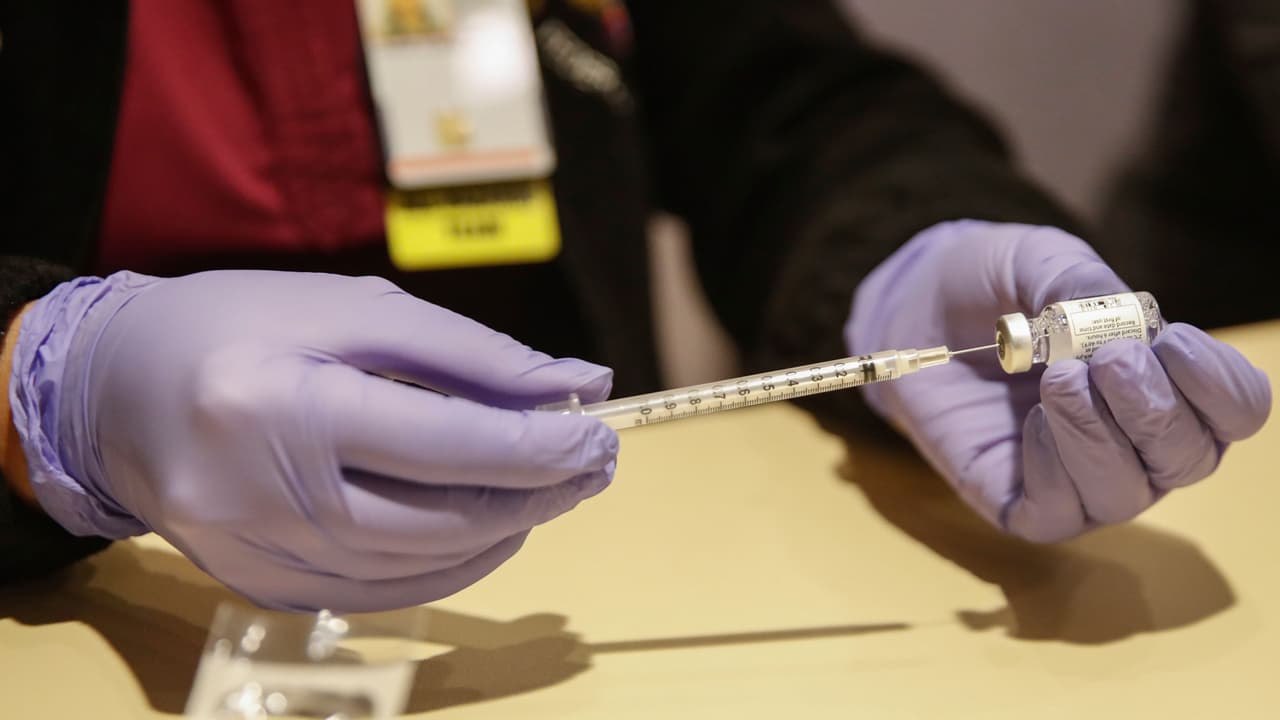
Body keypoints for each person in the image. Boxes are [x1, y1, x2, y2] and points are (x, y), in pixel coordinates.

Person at [0, 1, 1269, 613]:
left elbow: (791, 98)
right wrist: (44, 391)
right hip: (104, 600)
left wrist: (899, 241)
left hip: (582, 590)